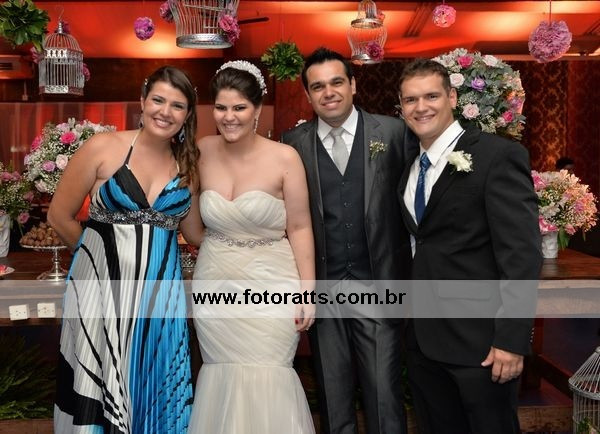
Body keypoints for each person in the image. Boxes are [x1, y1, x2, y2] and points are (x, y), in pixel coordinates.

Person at [49, 65, 200, 433]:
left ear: (187, 115)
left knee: (153, 386)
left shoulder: (187, 165)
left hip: (160, 301)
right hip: (100, 295)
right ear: (142, 101)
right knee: (97, 389)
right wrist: (97, 264)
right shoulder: (103, 147)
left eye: (177, 105)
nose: (165, 112)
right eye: (158, 100)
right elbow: (59, 216)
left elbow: (196, 233)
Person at [397, 58, 541, 433]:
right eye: (411, 100)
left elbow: (522, 255)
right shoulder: (409, 166)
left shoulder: (497, 156)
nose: (421, 107)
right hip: (423, 342)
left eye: (431, 96)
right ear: (401, 107)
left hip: (481, 344)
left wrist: (511, 340)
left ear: (452, 97)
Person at [282, 47, 414, 434]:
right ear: (308, 95)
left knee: (384, 397)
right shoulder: (293, 143)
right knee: (332, 397)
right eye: (318, 86)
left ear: (353, 85)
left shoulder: (393, 132)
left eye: (337, 82)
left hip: (378, 285)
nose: (329, 92)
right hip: (323, 290)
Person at [185, 60, 316, 434]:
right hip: (215, 282)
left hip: (273, 282)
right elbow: (192, 229)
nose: (229, 117)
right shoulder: (200, 151)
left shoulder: (285, 158)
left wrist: (308, 290)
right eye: (221, 107)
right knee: (220, 374)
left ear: (257, 109)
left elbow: (300, 227)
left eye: (239, 107)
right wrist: (223, 246)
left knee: (270, 372)